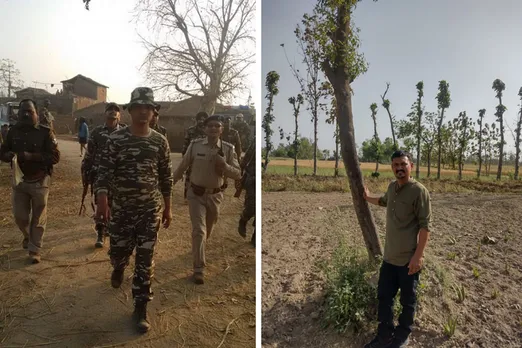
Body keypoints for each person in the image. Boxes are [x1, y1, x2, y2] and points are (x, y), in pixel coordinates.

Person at [94, 87, 172, 333]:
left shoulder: (160, 141)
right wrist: (103, 201)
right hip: (122, 210)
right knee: (118, 251)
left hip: (150, 211)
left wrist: (168, 208)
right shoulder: (115, 140)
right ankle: (118, 266)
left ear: (153, 112)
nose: (143, 112)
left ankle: (140, 307)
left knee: (145, 260)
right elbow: (104, 173)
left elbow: (165, 177)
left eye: (147, 107)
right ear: (129, 111)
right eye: (138, 107)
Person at [363, 150, 432, 348]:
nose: (399, 168)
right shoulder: (392, 187)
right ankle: (384, 336)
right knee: (384, 297)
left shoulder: (419, 191)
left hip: (408, 260)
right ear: (392, 168)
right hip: (389, 258)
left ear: (411, 166)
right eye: (395, 165)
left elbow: (425, 226)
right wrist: (368, 198)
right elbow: (384, 201)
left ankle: (402, 336)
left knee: (408, 301)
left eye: (403, 164)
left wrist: (418, 257)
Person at [173, 115, 241, 285]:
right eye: (209, 126)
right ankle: (198, 269)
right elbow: (182, 166)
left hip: (215, 196)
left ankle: (198, 248)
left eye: (216, 126)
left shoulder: (228, 149)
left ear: (221, 130)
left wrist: (225, 166)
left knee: (207, 230)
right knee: (200, 230)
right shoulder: (195, 146)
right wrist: (168, 186)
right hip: (195, 194)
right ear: (205, 129)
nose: (213, 128)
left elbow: (238, 173)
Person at [0, 99, 60, 264]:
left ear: (36, 113)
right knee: (20, 217)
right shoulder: (13, 132)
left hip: (40, 181)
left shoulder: (45, 132)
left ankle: (35, 249)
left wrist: (30, 156)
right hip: (20, 181)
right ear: (18, 114)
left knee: (39, 217)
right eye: (23, 112)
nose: (26, 114)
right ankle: (27, 236)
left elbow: (55, 157)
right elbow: (3, 151)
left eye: (30, 111)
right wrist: (8, 156)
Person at [81, 102, 126, 248]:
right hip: (100, 175)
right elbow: (89, 154)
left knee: (116, 206)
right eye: (110, 110)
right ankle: (100, 233)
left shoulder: (126, 132)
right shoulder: (97, 132)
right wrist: (86, 172)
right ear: (105, 114)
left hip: (120, 176)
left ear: (119, 115)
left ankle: (112, 230)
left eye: (116, 110)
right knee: (101, 204)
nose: (113, 112)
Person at [181, 111, 208, 200]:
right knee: (189, 177)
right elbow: (185, 144)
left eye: (203, 119)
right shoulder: (190, 130)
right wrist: (184, 158)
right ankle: (187, 195)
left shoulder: (209, 131)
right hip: (192, 158)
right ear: (197, 120)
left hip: (205, 158)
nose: (201, 121)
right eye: (200, 119)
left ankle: (202, 195)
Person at [238, 137, 256, 246]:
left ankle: (255, 238)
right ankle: (243, 220)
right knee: (251, 206)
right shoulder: (255, 139)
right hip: (252, 176)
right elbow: (248, 155)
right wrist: (241, 172)